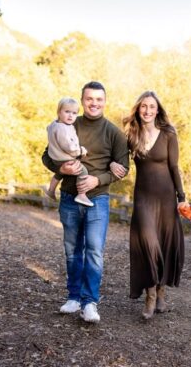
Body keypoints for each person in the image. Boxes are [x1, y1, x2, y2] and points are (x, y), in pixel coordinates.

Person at [41, 81, 130, 324]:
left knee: (94, 251)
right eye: (89, 99)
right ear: (82, 101)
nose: (94, 103)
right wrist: (60, 166)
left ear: (104, 101)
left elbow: (124, 169)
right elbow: (46, 155)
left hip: (98, 200)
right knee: (72, 251)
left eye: (98, 99)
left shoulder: (114, 133)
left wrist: (97, 179)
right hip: (69, 198)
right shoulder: (69, 122)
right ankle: (73, 297)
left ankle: (90, 302)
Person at [121, 91, 191, 319]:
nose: (148, 110)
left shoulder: (169, 133)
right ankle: (150, 296)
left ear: (158, 109)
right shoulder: (132, 134)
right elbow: (119, 162)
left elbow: (174, 168)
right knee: (148, 244)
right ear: (138, 109)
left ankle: (161, 292)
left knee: (164, 245)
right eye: (144, 106)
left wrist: (182, 198)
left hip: (166, 199)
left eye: (152, 106)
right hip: (143, 199)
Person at [45, 97, 92, 206]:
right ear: (59, 112)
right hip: (64, 157)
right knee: (83, 171)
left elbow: (48, 129)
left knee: (60, 173)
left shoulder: (54, 124)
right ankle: (82, 195)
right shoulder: (63, 129)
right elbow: (69, 147)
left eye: (74, 113)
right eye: (67, 112)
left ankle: (51, 190)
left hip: (55, 158)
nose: (71, 115)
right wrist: (80, 151)